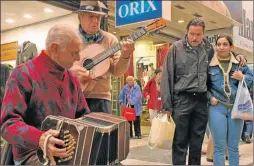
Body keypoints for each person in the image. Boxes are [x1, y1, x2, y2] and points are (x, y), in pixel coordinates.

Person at [0, 24, 90, 165]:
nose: (78, 58)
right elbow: (8, 125)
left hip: (66, 152)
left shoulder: (72, 78)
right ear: (55, 49)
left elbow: (84, 116)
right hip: (31, 153)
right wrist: (41, 139)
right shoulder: (22, 74)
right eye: (74, 53)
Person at [160, 18, 246, 165]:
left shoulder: (208, 48)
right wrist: (167, 106)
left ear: (203, 34)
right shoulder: (176, 48)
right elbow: (166, 77)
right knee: (180, 142)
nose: (194, 38)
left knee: (197, 143)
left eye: (198, 34)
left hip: (201, 101)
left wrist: (238, 55)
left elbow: (223, 55)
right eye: (191, 34)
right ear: (186, 32)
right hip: (181, 100)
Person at [71, 0, 134, 114]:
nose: (95, 21)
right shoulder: (70, 38)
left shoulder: (110, 40)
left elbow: (117, 72)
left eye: (99, 18)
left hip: (101, 99)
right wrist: (70, 72)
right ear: (80, 17)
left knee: (101, 131)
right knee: (72, 131)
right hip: (72, 96)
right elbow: (57, 66)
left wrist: (125, 57)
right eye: (91, 16)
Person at [207, 34, 253, 165]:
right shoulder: (209, 64)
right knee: (219, 147)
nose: (221, 47)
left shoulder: (240, 63)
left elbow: (252, 80)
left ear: (231, 46)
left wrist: (243, 77)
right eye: (219, 44)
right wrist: (210, 98)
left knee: (233, 147)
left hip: (237, 108)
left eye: (225, 44)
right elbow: (203, 85)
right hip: (217, 108)